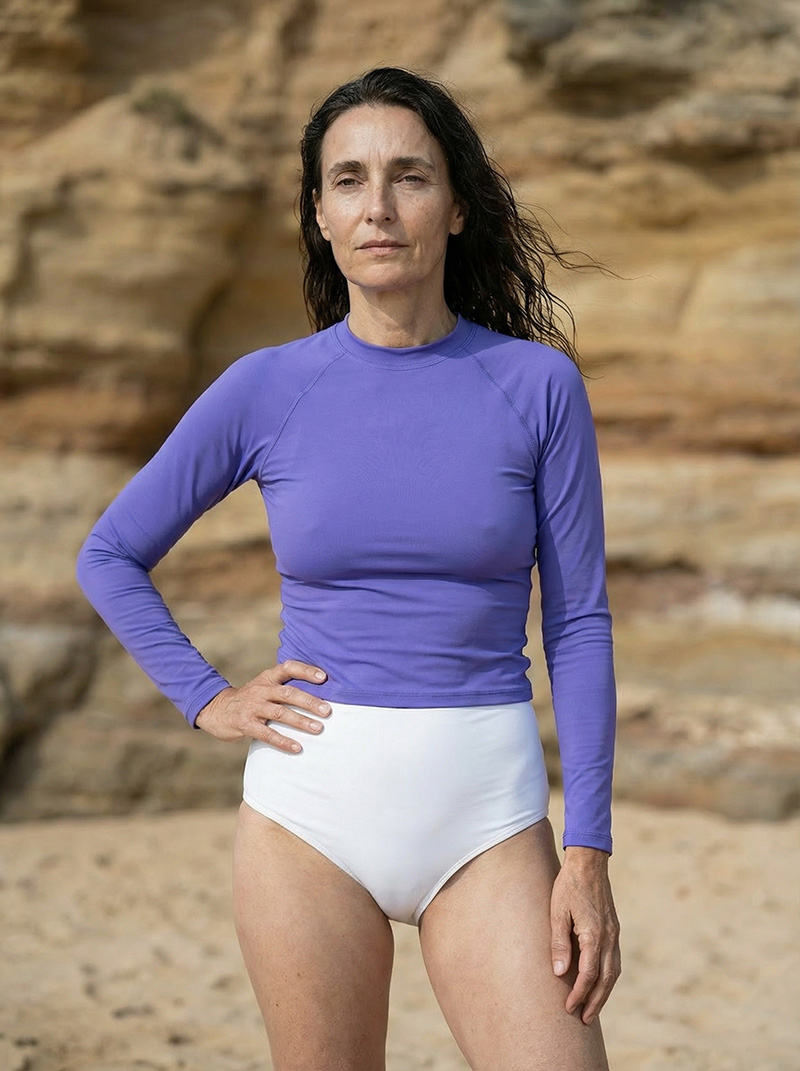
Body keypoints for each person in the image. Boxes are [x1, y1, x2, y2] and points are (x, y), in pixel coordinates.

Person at [76, 65, 621, 1070]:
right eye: (347, 180)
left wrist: (586, 850)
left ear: (456, 206)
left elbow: (578, 622)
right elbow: (109, 552)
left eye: (409, 176)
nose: (378, 206)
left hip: (487, 815)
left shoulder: (536, 385)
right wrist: (206, 698)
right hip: (307, 815)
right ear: (321, 215)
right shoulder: (267, 388)